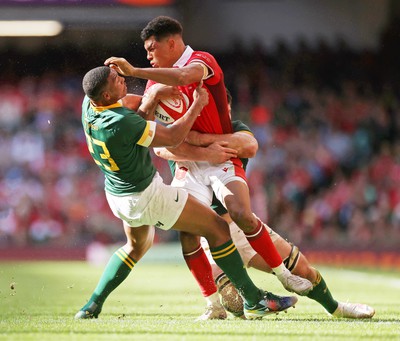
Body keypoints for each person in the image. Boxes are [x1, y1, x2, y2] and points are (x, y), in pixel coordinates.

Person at [104, 16, 313, 301]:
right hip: (191, 176)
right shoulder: (155, 84)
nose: (148, 55)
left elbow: (248, 146)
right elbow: (156, 142)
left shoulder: (202, 62)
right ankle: (215, 302)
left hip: (224, 186)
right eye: (146, 51)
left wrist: (133, 71)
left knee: (253, 227)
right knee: (190, 234)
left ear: (172, 43)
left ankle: (298, 287)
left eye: (152, 48)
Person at [75, 65, 298, 320]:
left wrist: (156, 95)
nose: (122, 79)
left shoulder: (89, 104)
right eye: (116, 79)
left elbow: (132, 106)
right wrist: (197, 105)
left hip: (118, 196)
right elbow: (171, 136)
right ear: (105, 96)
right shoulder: (120, 123)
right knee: (217, 229)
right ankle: (253, 298)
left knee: (134, 248)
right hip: (148, 196)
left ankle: (92, 304)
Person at [154, 90, 375, 320]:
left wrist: (198, 143)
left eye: (223, 110)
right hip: (209, 233)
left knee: (303, 272)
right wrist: (196, 145)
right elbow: (160, 146)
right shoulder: (177, 132)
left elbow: (249, 146)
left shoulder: (235, 129)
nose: (221, 115)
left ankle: (336, 307)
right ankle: (244, 305)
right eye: (214, 110)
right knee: (232, 299)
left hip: (241, 225)